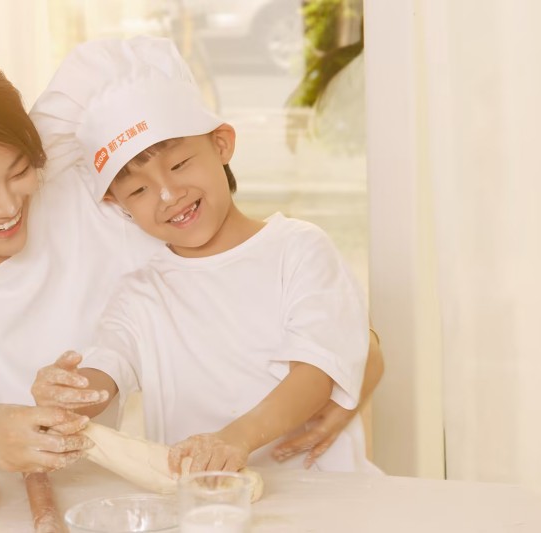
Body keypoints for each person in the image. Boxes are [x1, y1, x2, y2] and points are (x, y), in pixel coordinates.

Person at [0, 40, 381, 474]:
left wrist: (356, 359)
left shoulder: (96, 196)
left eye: (20, 171)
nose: (8, 206)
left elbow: (237, 262)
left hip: (93, 488)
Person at [30, 36, 379, 473]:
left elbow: (316, 371)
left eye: (179, 165)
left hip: (323, 496)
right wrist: (70, 393)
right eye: (138, 189)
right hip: (206, 503)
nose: (168, 194)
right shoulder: (141, 294)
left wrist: (237, 438)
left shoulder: (299, 250)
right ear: (118, 205)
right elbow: (109, 365)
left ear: (221, 144)